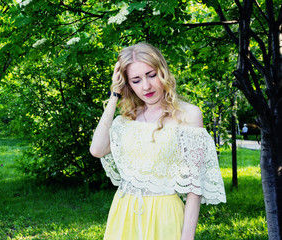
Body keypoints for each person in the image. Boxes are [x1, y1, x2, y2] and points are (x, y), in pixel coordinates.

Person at [90, 43, 226, 240]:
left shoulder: (189, 115)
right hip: (123, 214)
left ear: (163, 72)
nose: (146, 86)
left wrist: (187, 237)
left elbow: (194, 187)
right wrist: (114, 96)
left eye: (151, 75)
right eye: (136, 80)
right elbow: (97, 149)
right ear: (127, 84)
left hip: (165, 217)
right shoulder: (126, 119)